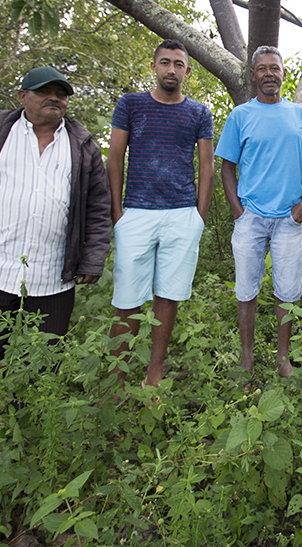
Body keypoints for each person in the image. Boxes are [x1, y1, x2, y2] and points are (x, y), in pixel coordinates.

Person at [0, 66, 111, 450]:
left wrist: (92, 260)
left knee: (42, 366)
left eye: (61, 94)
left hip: (53, 279)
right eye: (45, 91)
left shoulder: (82, 147)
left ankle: (24, 445)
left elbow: (98, 207)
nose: (55, 99)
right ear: (22, 96)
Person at [106, 39, 214, 394]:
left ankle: (154, 371)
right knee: (127, 298)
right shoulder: (131, 104)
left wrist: (199, 215)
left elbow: (207, 164)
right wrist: (118, 213)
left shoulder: (199, 112)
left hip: (182, 214)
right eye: (165, 62)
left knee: (167, 296)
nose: (171, 69)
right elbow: (115, 158)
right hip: (137, 212)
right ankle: (116, 378)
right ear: (154, 67)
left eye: (178, 64)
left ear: (186, 70)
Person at [216, 46, 302, 383]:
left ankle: (283, 359)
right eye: (261, 69)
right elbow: (227, 167)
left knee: (287, 292)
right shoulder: (240, 116)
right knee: (246, 290)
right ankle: (246, 361)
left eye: (274, 68)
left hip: (288, 220)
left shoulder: (299, 115)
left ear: (283, 74)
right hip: (250, 218)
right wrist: (238, 211)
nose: (268, 74)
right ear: (252, 75)